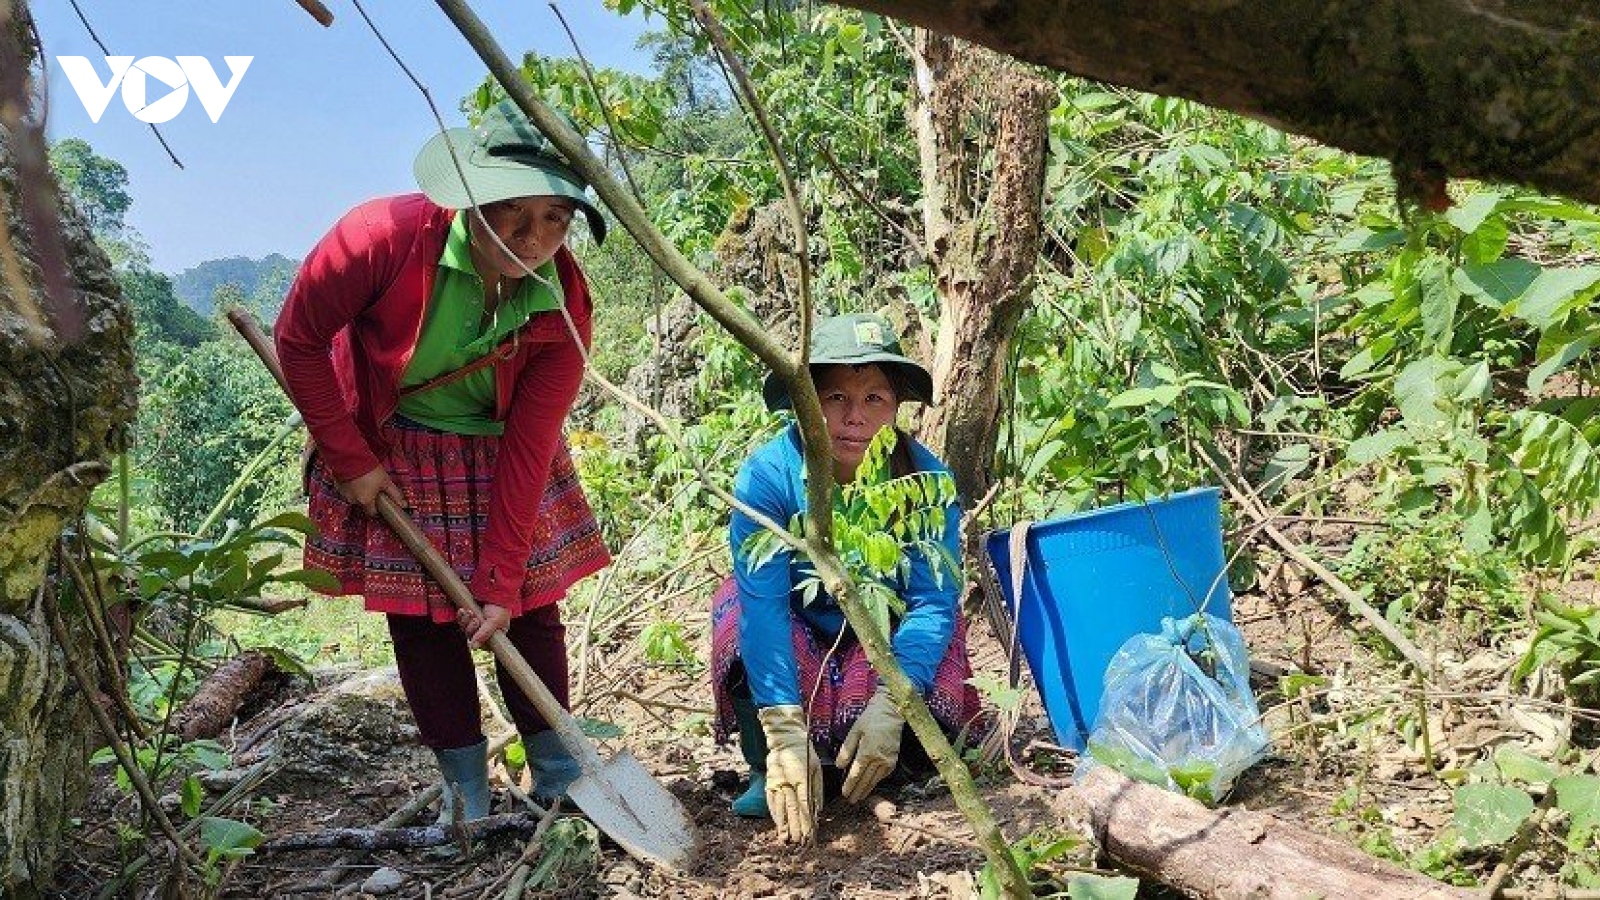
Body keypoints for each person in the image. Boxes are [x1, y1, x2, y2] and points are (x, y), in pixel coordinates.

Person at [274, 99, 611, 822]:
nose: (532, 237)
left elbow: (529, 444)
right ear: (469, 195)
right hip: (393, 439)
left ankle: (560, 774)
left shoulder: (562, 304)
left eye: (555, 216)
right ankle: (465, 794)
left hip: (500, 448)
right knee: (421, 617)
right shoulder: (379, 240)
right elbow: (298, 340)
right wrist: (351, 457)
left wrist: (497, 581)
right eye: (510, 210)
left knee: (528, 605)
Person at [710, 313, 985, 843]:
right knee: (734, 606)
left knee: (941, 635)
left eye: (874, 399)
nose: (854, 417)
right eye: (834, 397)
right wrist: (783, 731)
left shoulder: (926, 480)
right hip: (801, 632)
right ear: (803, 401)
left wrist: (891, 702)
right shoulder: (768, 476)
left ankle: (886, 756)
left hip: (883, 639)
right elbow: (764, 605)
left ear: (897, 407)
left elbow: (932, 601)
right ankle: (773, 764)